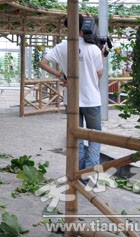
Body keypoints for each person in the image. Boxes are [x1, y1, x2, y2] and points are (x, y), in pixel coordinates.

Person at [40, 14, 104, 170]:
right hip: (91, 99)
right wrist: (102, 54)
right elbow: (99, 73)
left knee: (77, 139)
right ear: (84, 27)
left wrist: (60, 75)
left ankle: (78, 173)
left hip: (72, 100)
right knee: (95, 136)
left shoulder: (62, 47)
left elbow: (43, 63)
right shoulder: (94, 48)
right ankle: (89, 172)